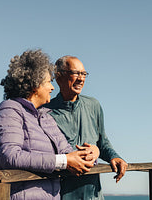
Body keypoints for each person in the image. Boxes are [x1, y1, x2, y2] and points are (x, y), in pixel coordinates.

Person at [0, 50, 99, 200]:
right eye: (48, 82)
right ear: (35, 84)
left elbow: (68, 152)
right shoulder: (9, 110)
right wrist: (64, 161)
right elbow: (10, 156)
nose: (52, 88)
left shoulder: (45, 117)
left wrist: (91, 154)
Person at [44, 56, 128, 200]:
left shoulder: (93, 105)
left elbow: (102, 141)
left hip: (94, 195)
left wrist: (114, 156)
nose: (81, 79)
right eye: (75, 73)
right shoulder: (44, 111)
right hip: (60, 195)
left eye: (84, 74)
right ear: (59, 77)